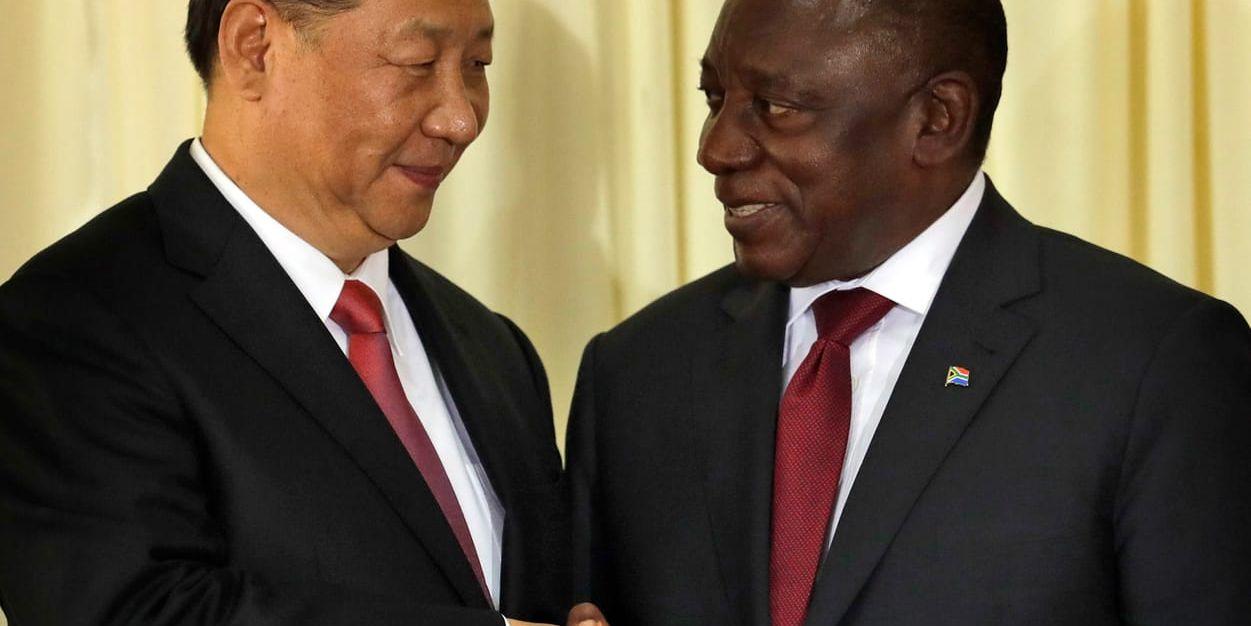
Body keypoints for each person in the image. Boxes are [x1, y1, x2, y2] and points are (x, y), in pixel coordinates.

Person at [565, 0, 1251, 624]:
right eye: (714, 97)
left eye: (774, 106)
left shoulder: (1149, 363)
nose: (716, 148)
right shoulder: (636, 371)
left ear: (937, 118)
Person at [0, 1, 567, 624]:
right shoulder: (73, 321)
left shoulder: (495, 350)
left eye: (478, 64)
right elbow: (131, 609)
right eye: (418, 62)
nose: (461, 118)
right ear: (254, 46)